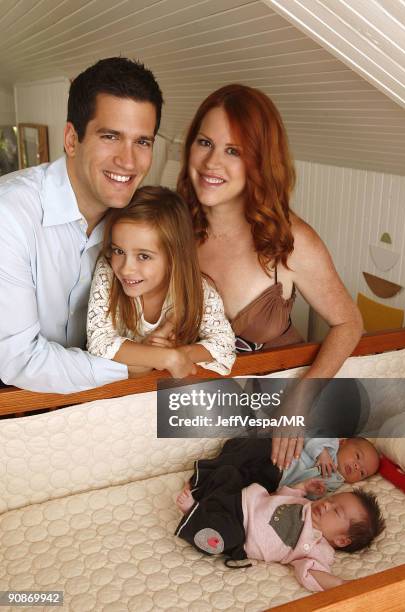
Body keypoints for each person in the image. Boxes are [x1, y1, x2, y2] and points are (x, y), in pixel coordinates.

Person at [177, 84, 363, 465]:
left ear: (259, 162)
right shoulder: (171, 230)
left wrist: (301, 397)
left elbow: (350, 323)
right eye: (204, 142)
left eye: (234, 151)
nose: (212, 163)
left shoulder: (290, 240)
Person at [0, 57, 163, 393]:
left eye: (142, 141)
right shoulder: (10, 213)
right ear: (72, 140)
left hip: (90, 404)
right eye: (111, 136)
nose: (128, 161)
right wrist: (124, 367)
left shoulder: (139, 217)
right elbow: (18, 359)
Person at [87, 186, 236, 377]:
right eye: (119, 251)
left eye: (143, 256)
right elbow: (99, 341)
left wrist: (181, 353)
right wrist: (165, 358)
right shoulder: (108, 272)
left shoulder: (198, 291)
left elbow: (224, 342)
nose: (126, 268)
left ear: (174, 258)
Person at [175, 465, 385, 592]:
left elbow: (312, 573)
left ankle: (194, 512)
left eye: (336, 512)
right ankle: (199, 487)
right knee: (229, 474)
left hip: (241, 530)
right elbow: (281, 496)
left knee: (221, 538)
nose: (327, 504)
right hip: (240, 499)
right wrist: (302, 488)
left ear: (341, 540)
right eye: (331, 499)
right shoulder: (306, 505)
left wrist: (340, 585)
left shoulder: (318, 547)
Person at [185, 436, 380, 497]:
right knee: (249, 449)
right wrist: (322, 454)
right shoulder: (331, 444)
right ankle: (203, 473)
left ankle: (207, 491)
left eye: (362, 472)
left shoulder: (335, 483)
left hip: (276, 478)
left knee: (244, 485)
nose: (356, 467)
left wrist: (314, 492)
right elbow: (311, 438)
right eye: (357, 457)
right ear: (344, 442)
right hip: (276, 453)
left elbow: (308, 495)